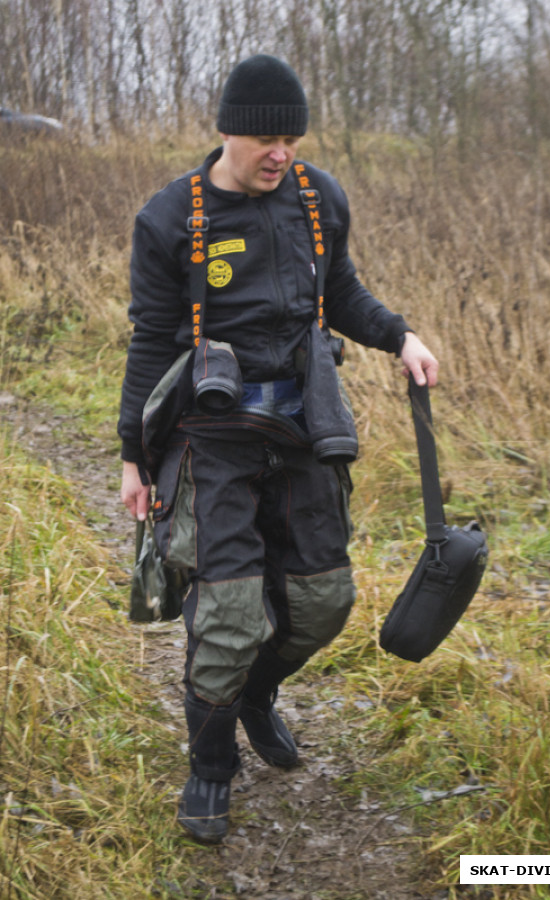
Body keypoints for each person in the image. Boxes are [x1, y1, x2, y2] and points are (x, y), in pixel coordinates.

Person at [118, 54, 438, 844]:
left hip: (304, 429)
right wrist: (133, 454)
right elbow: (152, 344)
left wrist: (400, 336)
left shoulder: (318, 197)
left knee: (323, 601)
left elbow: (343, 295)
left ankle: (256, 694)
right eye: (265, 138)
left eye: (291, 137)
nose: (280, 152)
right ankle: (210, 767)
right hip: (212, 440)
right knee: (227, 616)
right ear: (228, 129)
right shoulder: (170, 219)